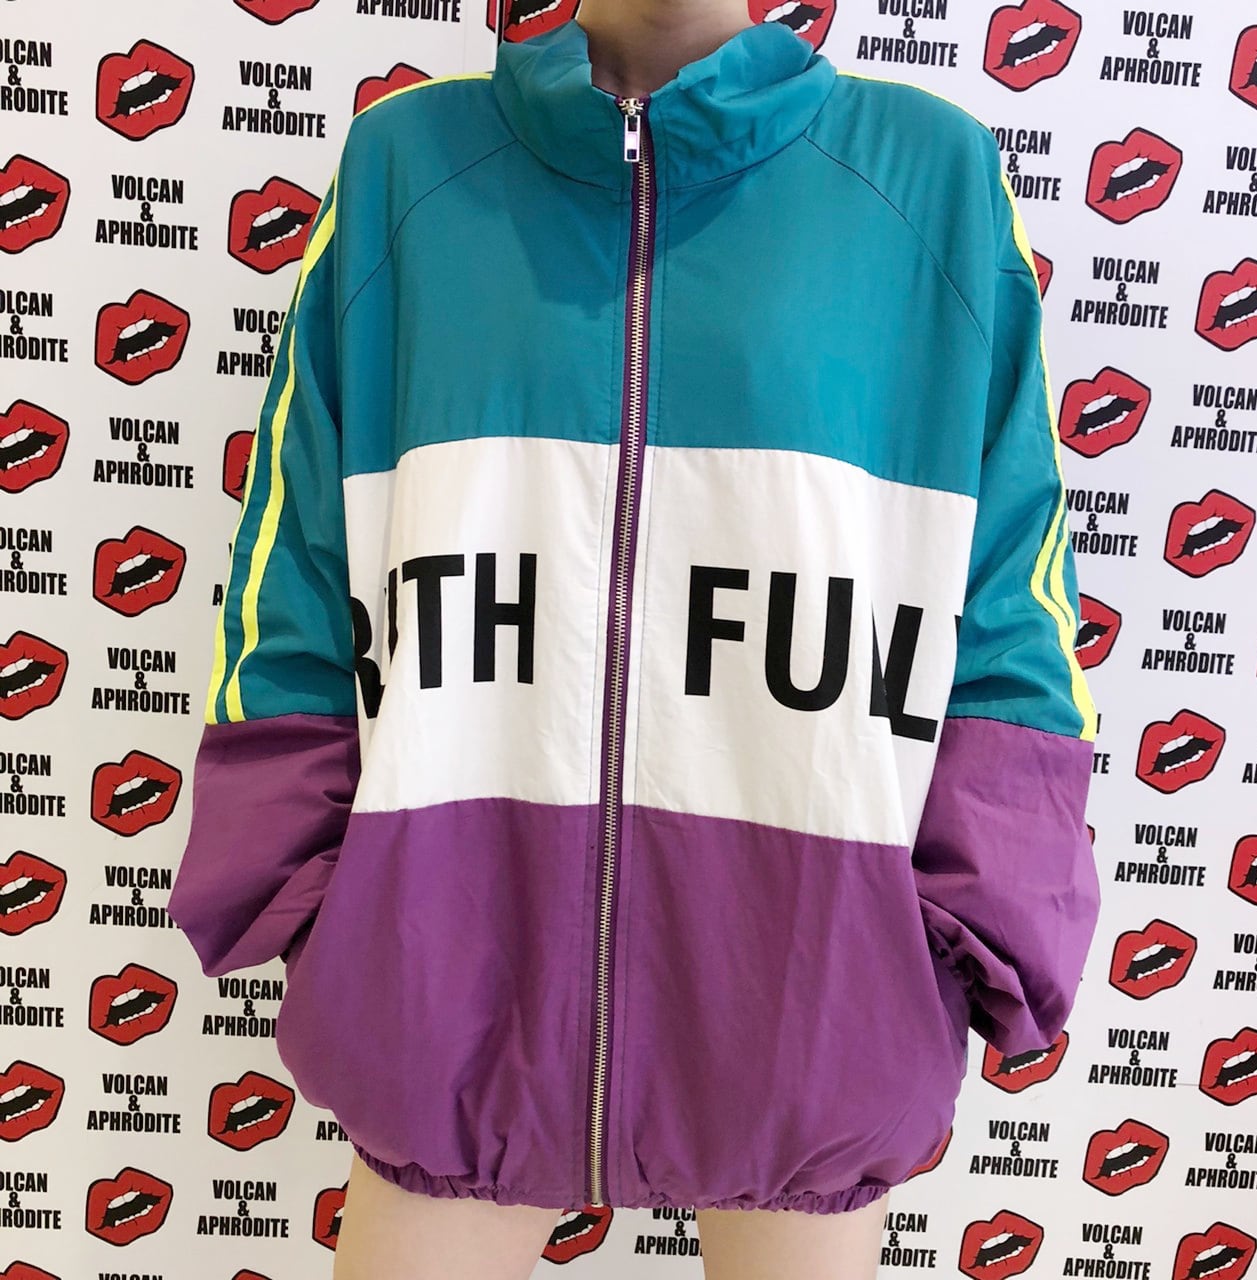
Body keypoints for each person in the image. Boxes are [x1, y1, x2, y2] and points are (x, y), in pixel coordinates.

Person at [167, 0, 1101, 1276]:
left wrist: (952, 934)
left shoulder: (925, 178)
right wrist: (328, 909)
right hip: (448, 990)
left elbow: (1008, 586)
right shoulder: (405, 168)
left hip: (813, 992)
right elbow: (297, 568)